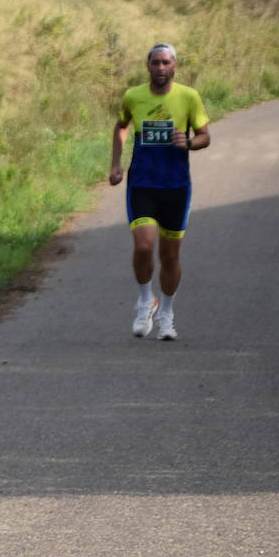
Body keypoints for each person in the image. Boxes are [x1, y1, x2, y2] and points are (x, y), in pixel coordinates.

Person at [109, 42, 211, 341]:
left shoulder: (189, 97)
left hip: (176, 186)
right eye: (155, 63)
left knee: (169, 255)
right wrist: (116, 163)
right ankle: (145, 301)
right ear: (148, 66)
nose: (160, 68)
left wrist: (189, 143)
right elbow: (121, 126)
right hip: (142, 183)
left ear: (175, 65)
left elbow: (205, 136)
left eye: (166, 63)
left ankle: (166, 312)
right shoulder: (134, 96)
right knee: (143, 247)